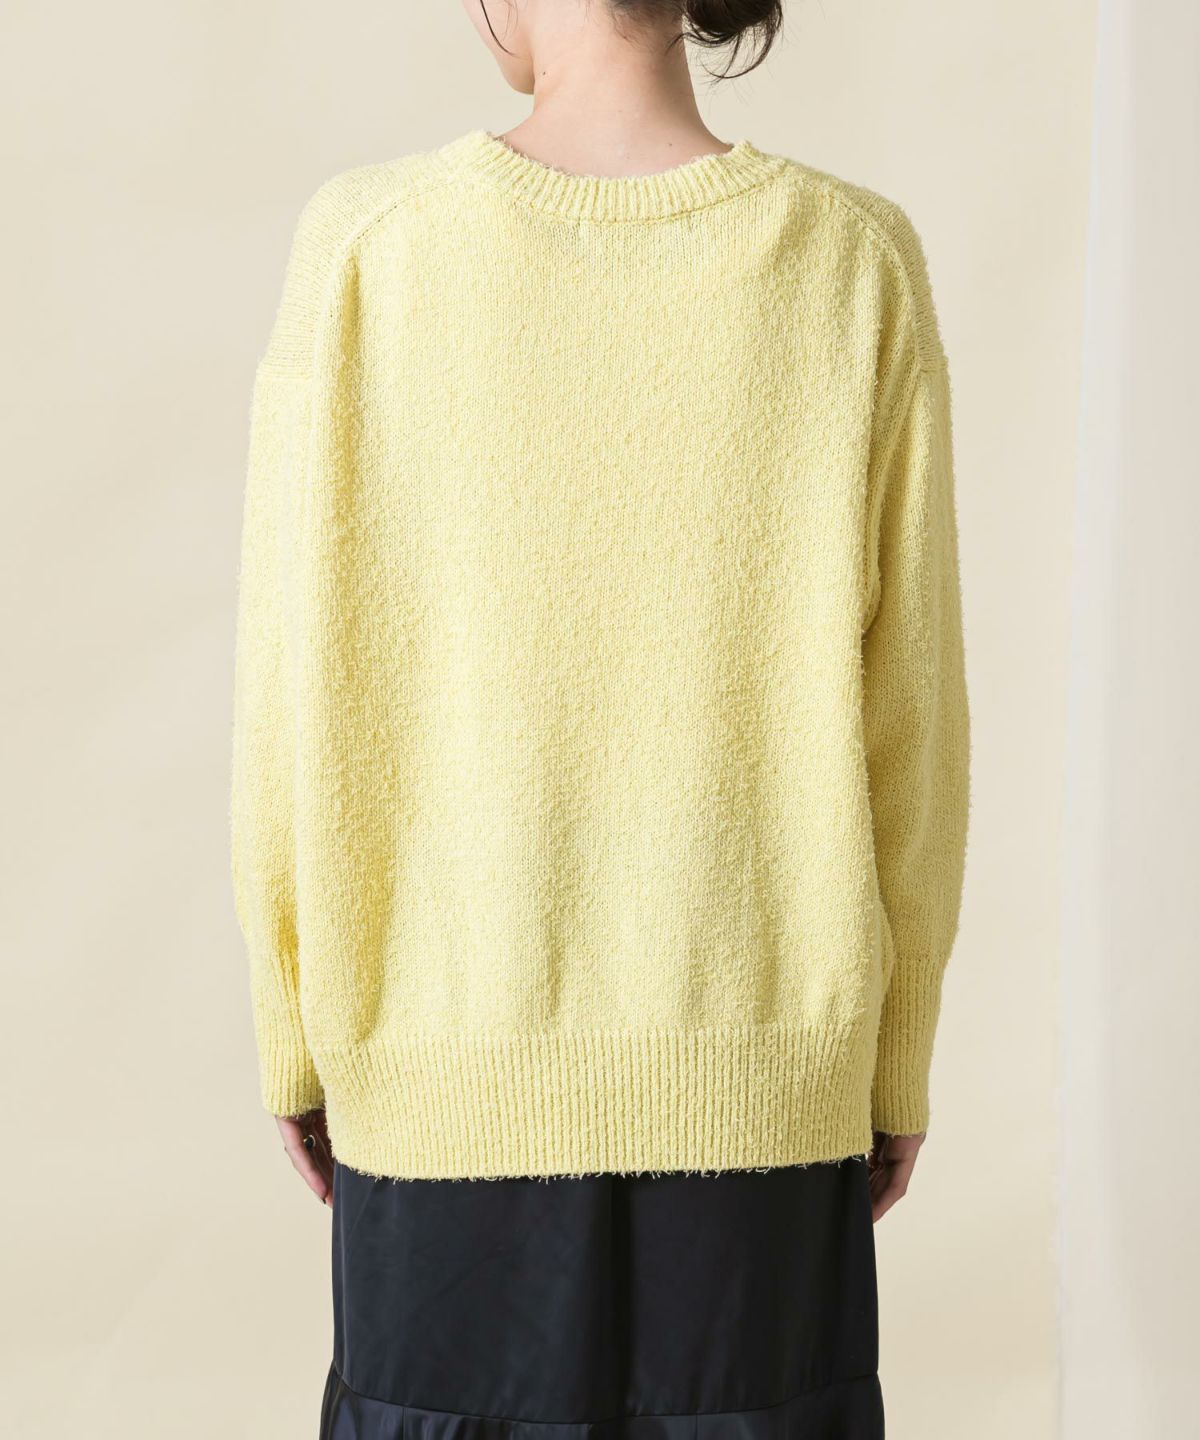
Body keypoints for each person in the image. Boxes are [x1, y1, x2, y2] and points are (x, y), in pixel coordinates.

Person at [229, 1, 971, 1435]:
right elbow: (912, 723)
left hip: (440, 1071)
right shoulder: (854, 259)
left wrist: (295, 1024)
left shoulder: (370, 246)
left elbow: (290, 693)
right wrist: (892, 1054)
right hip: (768, 1081)